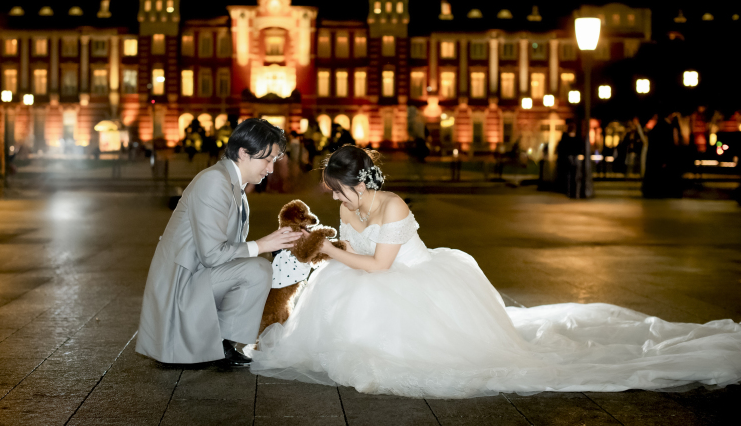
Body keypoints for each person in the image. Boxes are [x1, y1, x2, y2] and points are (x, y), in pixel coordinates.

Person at [249, 145, 741, 398]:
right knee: (339, 297)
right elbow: (353, 250)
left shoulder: (393, 206)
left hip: (409, 280)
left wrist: (329, 252)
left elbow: (379, 265)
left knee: (394, 328)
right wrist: (326, 242)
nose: (333, 198)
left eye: (338, 190)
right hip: (362, 276)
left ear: (360, 183)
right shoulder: (348, 205)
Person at [136, 119, 303, 366]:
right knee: (257, 269)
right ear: (244, 152)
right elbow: (212, 255)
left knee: (258, 268)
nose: (270, 169)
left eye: (273, 161)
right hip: (182, 285)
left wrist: (273, 246)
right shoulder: (214, 181)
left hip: (196, 275)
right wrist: (262, 245)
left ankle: (221, 344)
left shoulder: (232, 183)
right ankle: (219, 345)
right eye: (267, 160)